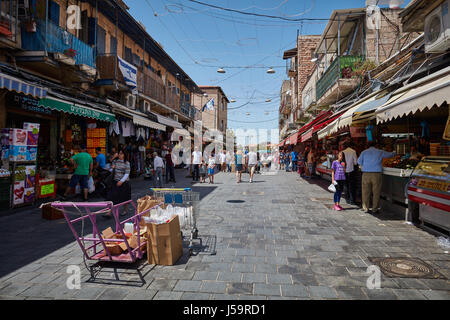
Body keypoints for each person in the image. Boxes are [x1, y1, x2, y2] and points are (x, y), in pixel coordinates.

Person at [357, 142, 396, 214]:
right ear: (376, 145)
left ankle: (365, 208)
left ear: (367, 146)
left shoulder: (364, 152)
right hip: (376, 174)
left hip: (366, 174)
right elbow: (390, 155)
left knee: (365, 192)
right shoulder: (380, 152)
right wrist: (395, 151)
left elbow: (358, 161)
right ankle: (375, 209)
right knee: (376, 192)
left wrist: (365, 164)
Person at [105, 149, 131, 217]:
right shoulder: (115, 161)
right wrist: (112, 167)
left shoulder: (127, 163)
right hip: (115, 181)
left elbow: (127, 173)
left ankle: (125, 210)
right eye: (119, 153)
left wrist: (121, 181)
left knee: (125, 198)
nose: (120, 155)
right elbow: (111, 168)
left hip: (124, 183)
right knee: (112, 197)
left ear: (124, 155)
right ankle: (109, 212)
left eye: (121, 153)